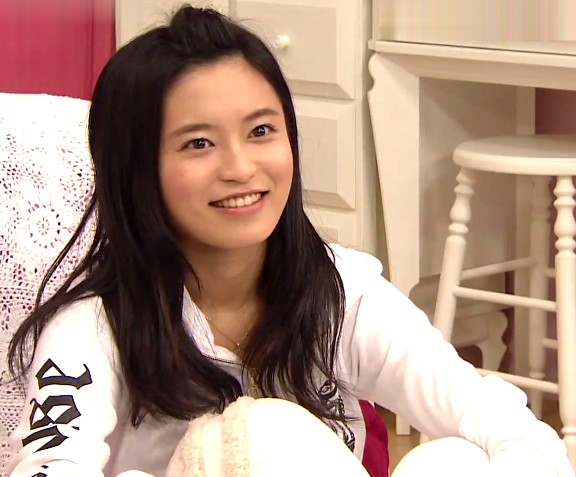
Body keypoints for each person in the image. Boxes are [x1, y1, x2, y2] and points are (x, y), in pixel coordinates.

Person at [5, 5, 574, 477]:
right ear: (136, 171)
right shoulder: (92, 328)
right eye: (199, 143)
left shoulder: (343, 292)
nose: (241, 168)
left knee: (455, 462)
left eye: (261, 131)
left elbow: (508, 427)